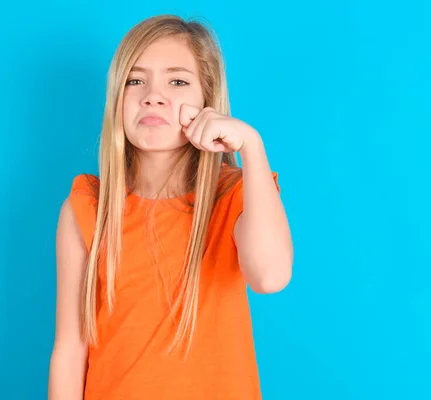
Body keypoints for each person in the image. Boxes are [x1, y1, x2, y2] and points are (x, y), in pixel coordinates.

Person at [48, 14, 293, 400]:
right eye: (135, 80)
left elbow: (270, 276)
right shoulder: (87, 208)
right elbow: (69, 348)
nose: (153, 95)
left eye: (177, 81)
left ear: (208, 100)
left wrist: (251, 145)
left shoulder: (235, 196)